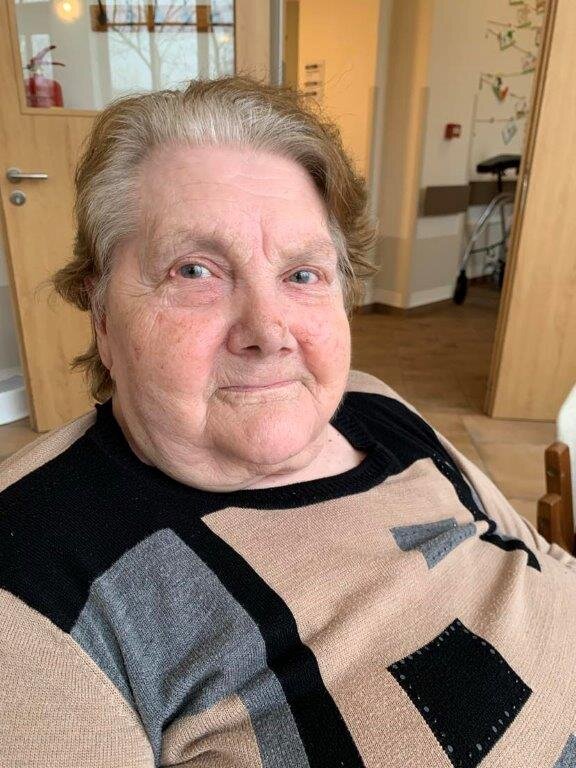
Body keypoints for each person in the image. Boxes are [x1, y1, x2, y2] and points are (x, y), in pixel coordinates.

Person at [1, 75, 575, 768]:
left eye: (303, 275)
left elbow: (543, 562)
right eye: (195, 271)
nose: (268, 333)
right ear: (100, 313)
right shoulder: (32, 573)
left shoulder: (375, 406)